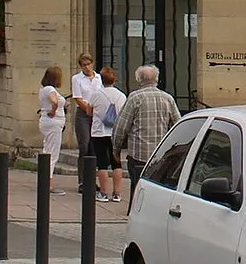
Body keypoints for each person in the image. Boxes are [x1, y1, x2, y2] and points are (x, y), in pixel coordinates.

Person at [114, 65, 182, 204]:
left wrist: (116, 149)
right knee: (159, 188)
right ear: (156, 79)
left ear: (139, 79)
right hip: (161, 154)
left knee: (138, 187)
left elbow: (121, 128)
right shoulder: (167, 98)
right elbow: (178, 125)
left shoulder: (135, 98)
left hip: (139, 154)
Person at [89, 66, 129, 202]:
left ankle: (103, 193)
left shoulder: (96, 94)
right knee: (116, 163)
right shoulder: (121, 95)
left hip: (99, 132)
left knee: (102, 163)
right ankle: (117, 193)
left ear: (102, 79)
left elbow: (89, 111)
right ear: (114, 79)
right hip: (115, 132)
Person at [37, 65, 69, 195]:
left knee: (47, 151)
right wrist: (54, 111)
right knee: (52, 154)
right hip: (53, 122)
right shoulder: (50, 89)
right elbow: (54, 101)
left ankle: (45, 181)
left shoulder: (44, 89)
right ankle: (47, 184)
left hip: (48, 122)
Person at [69, 53, 102, 161]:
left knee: (94, 145)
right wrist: (89, 110)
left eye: (88, 64)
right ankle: (83, 176)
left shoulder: (99, 77)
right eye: (84, 65)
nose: (87, 67)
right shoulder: (77, 79)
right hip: (83, 113)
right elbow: (78, 98)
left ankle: (91, 174)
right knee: (84, 145)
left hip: (97, 112)